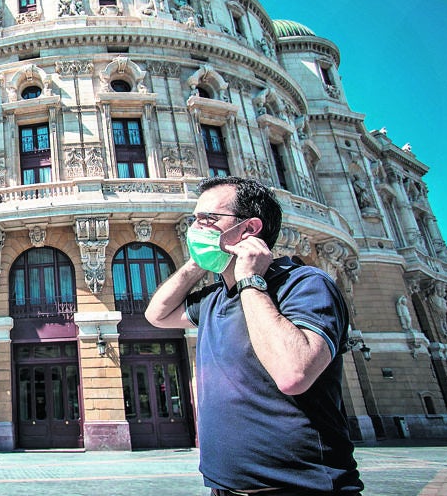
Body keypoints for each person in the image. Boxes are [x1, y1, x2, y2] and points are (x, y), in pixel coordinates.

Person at [145, 176, 362, 495]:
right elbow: (157, 315)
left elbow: (293, 373)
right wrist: (198, 260)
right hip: (226, 488)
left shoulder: (305, 285)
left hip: (300, 488)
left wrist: (250, 280)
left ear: (249, 229)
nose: (196, 228)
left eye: (208, 219)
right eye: (195, 220)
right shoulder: (215, 297)